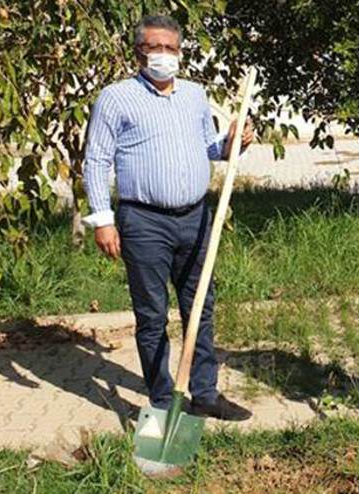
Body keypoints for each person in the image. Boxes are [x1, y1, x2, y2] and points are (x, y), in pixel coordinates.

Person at [83, 14, 253, 421]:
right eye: (154, 47)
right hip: (144, 222)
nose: (163, 55)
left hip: (196, 218)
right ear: (138, 52)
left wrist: (233, 143)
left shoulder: (194, 94)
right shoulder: (116, 98)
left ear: (180, 51)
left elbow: (208, 148)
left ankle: (205, 393)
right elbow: (96, 161)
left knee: (200, 308)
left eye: (170, 48)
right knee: (152, 315)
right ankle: (162, 402)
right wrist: (102, 219)